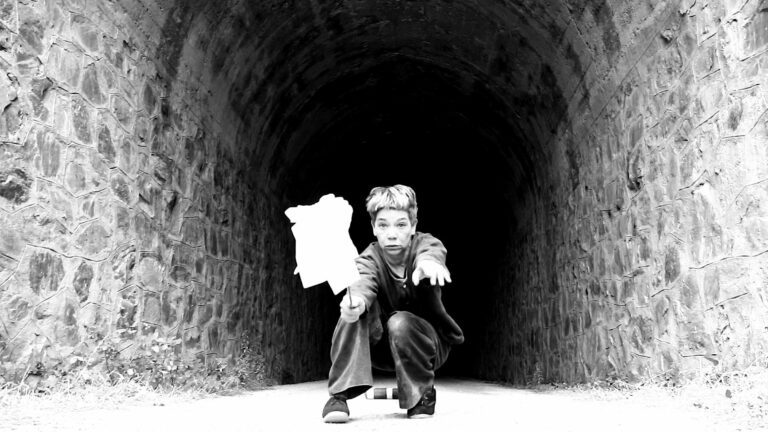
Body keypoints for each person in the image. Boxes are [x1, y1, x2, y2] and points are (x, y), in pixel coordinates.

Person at [322, 184, 464, 423]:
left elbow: (431, 250)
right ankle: (338, 396)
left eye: (400, 225)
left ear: (413, 226)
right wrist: (356, 302)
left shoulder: (425, 244)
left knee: (400, 321)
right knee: (355, 309)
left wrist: (428, 264)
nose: (391, 234)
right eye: (383, 225)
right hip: (380, 349)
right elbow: (363, 281)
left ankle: (421, 395)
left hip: (428, 347)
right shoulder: (369, 258)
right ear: (373, 228)